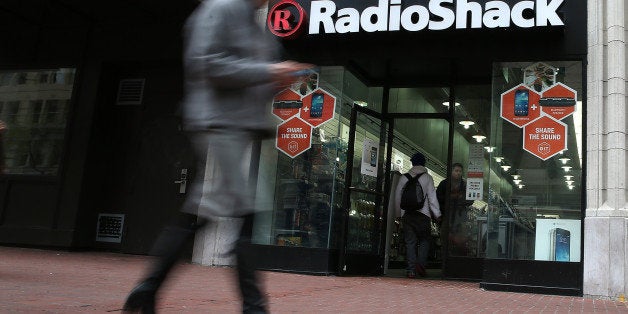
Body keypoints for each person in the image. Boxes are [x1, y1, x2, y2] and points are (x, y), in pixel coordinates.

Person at [122, 0, 312, 313]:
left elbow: (252, 82)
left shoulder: (259, 28)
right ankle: (254, 306)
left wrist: (278, 81)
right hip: (218, 125)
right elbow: (205, 64)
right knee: (246, 208)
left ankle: (146, 290)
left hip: (239, 129)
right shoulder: (219, 9)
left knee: (204, 209)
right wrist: (268, 70)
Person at [394, 152, 441, 278]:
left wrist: (398, 214)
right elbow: (432, 197)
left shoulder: (404, 178)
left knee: (410, 242)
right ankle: (420, 264)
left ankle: (411, 270)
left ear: (412, 163)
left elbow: (398, 197)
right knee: (425, 240)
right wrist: (437, 214)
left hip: (407, 215)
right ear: (424, 164)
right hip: (423, 215)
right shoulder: (428, 178)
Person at [436, 163, 474, 256]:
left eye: (460, 171)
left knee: (460, 239)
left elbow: (471, 200)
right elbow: (437, 197)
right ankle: (446, 257)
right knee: (445, 237)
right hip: (447, 214)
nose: (458, 173)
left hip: (460, 216)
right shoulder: (444, 183)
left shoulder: (465, 185)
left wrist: (460, 200)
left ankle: (457, 258)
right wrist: (451, 198)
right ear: (452, 171)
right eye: (456, 171)